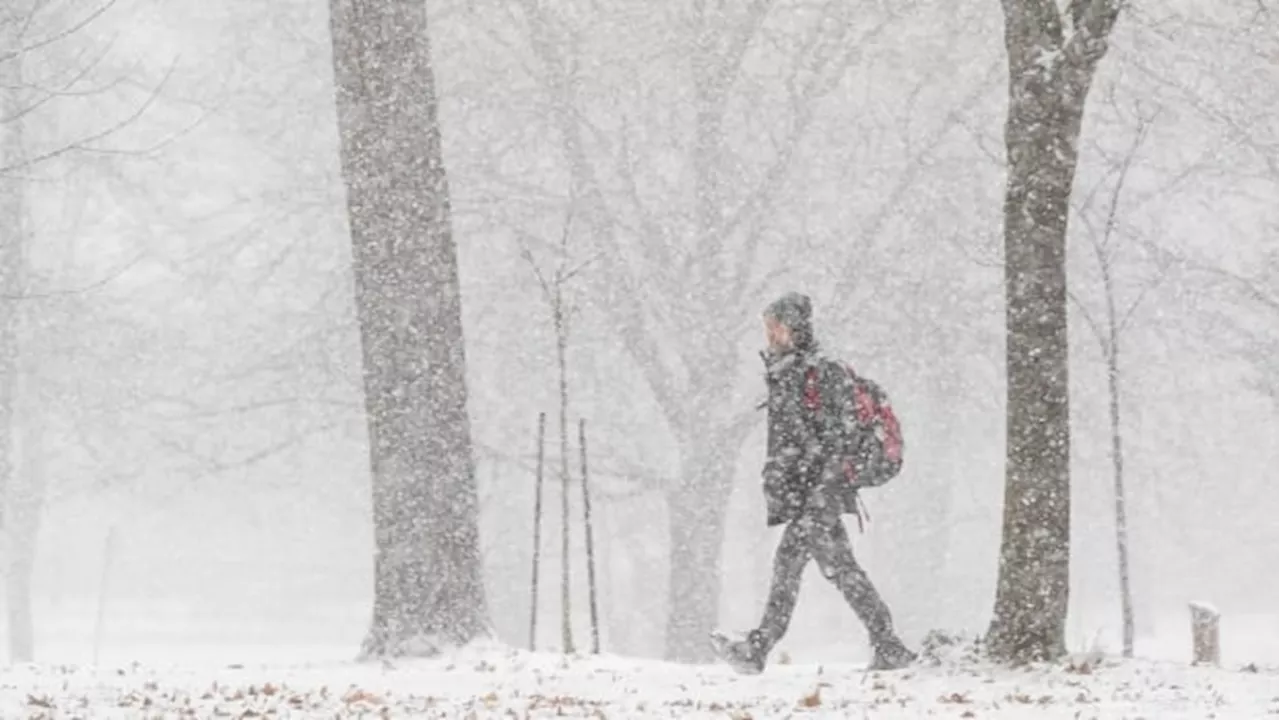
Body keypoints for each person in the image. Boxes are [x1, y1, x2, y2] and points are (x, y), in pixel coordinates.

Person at [712, 291, 917, 674]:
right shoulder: (787, 372)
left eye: (775, 327)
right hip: (812, 491)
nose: (769, 335)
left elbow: (841, 434)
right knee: (839, 568)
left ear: (795, 328)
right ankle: (888, 644)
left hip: (823, 489)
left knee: (790, 563)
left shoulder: (822, 373)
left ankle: (758, 648)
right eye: (767, 328)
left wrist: (823, 483)